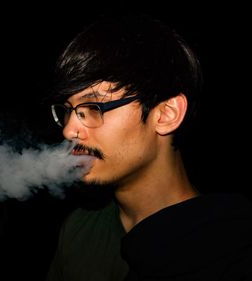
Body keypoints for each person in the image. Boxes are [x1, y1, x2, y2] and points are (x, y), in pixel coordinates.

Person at [45, 12, 252, 281]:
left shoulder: (232, 250)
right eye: (67, 111)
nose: (69, 130)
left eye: (93, 107)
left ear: (165, 114)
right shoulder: (79, 230)